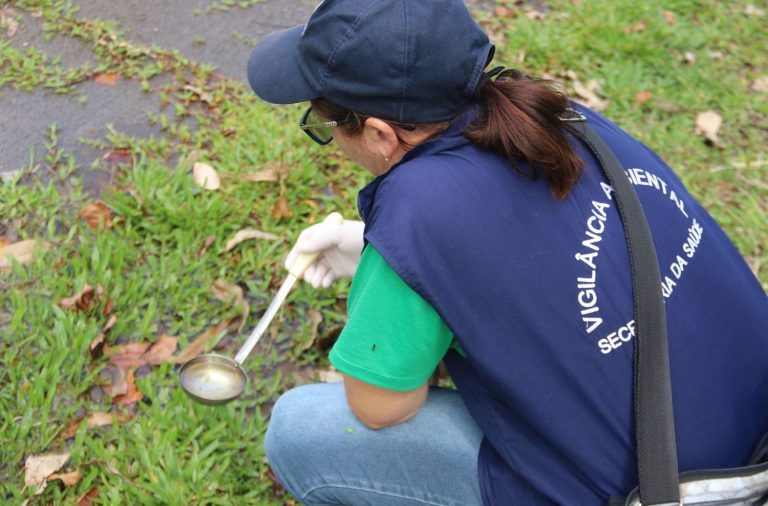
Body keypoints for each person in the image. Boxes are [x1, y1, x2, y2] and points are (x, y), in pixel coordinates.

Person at [246, 1, 768, 504]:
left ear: (381, 135)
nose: (330, 138)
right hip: (749, 429)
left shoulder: (420, 212)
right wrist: (372, 249)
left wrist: (389, 277)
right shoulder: (557, 121)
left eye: (324, 126)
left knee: (300, 430)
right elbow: (531, 253)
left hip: (664, 493)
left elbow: (380, 407)